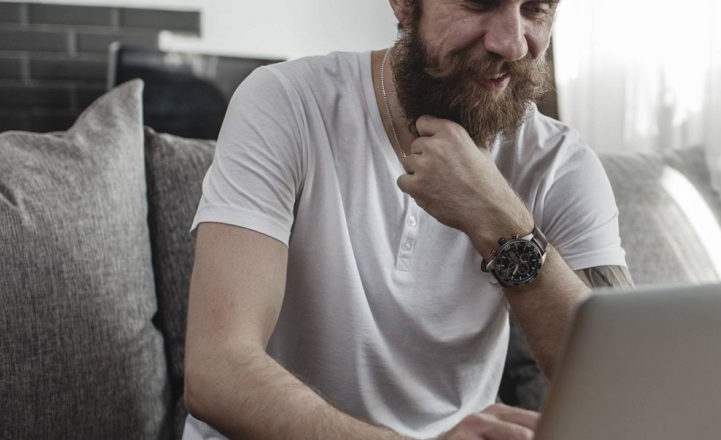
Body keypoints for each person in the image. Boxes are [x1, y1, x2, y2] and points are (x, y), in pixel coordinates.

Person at [181, 0, 633, 438]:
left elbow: (625, 387)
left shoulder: (560, 162)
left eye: (536, 8)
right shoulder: (286, 102)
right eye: (480, 4)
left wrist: (502, 222)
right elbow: (218, 369)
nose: (512, 44)